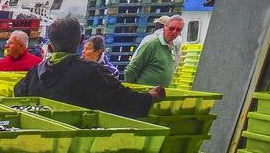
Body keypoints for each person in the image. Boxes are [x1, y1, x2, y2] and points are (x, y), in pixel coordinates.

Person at [14, 17, 162, 118]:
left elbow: (18, 92)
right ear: (80, 42)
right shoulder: (93, 72)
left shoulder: (35, 73)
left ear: (51, 46)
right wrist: (150, 96)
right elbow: (121, 101)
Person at [124, 15, 183, 86]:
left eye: (178, 30)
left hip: (159, 94)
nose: (174, 32)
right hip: (144, 93)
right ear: (164, 27)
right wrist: (133, 89)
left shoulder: (174, 45)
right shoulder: (151, 43)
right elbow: (131, 69)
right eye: (171, 28)